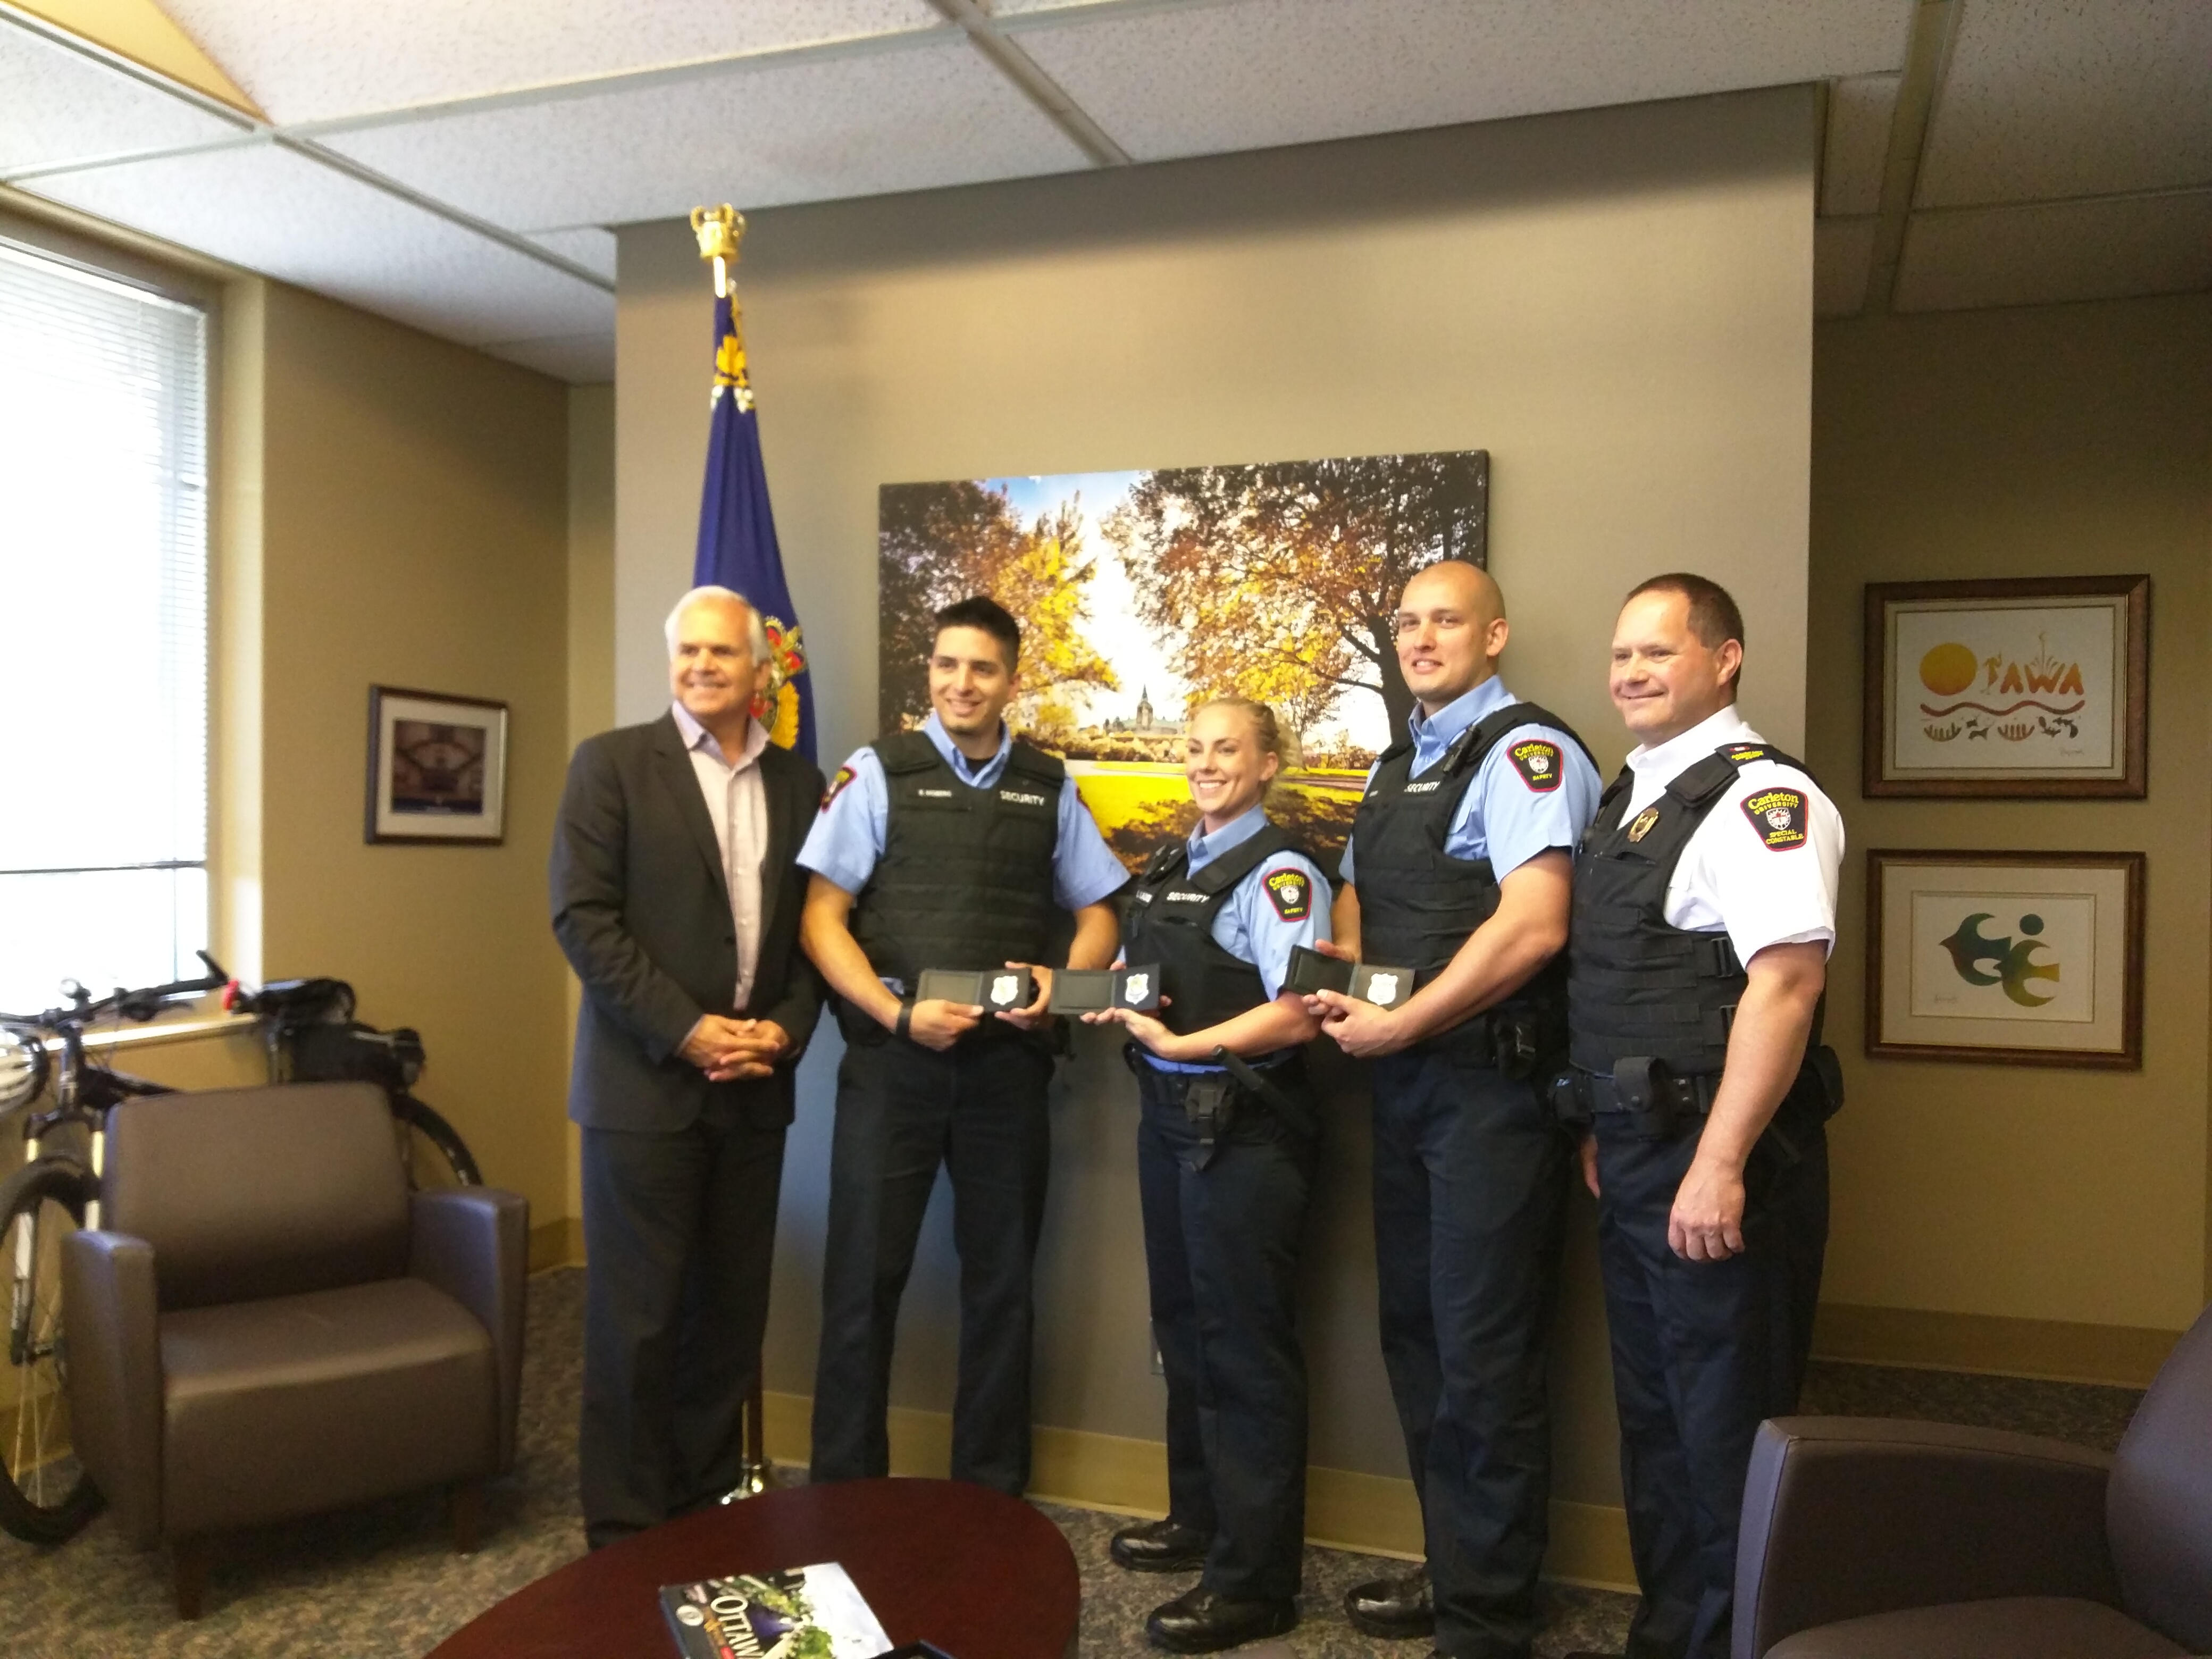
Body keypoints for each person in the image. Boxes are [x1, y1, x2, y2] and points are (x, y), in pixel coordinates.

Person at [1306, 559, 1602, 1659]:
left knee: (1486, 1353)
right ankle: (1459, 1569)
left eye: (1446, 622)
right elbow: (1360, 894)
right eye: (1407, 624)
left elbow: (1534, 925)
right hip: (1405, 1086)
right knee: (1418, 1340)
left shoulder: (1528, 752)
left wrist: (1406, 1018)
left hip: (1490, 1092)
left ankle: (1489, 1620)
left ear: (1495, 637)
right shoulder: (1398, 762)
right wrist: (1334, 964)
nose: (1421, 639)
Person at [1561, 574, 1843, 1659]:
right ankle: (1672, 1632)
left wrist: (1718, 1162)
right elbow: (1634, 985)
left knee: (1725, 1429)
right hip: (1638, 1155)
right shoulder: (1632, 793)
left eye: (1657, 652)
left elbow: (1784, 987)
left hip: (1719, 1164)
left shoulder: (1759, 800)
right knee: (1658, 1421)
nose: (1630, 671)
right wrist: (1604, 1126)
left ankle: (1739, 1644)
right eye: (1621, 652)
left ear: (1723, 660)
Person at [798, 594, 1127, 1495]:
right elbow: (822, 921)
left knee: (1002, 1290)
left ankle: (989, 1499)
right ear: (929, 673)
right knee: (862, 1287)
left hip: (1004, 1074)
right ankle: (845, 1494)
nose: (961, 683)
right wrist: (898, 1015)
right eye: (947, 665)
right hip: (893, 1067)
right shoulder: (877, 773)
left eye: (982, 668)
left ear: (1012, 681)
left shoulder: (1047, 785)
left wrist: (1062, 989)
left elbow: (1100, 911)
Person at [549, 585, 825, 1550]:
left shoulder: (799, 783)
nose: (703, 666)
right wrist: (689, 1030)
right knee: (638, 1323)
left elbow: (814, 936)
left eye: (722, 653)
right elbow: (583, 921)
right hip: (644, 1091)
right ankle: (625, 1529)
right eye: (687, 652)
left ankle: (704, 1512)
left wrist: (783, 1032)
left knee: (727, 1319)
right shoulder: (614, 766)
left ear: (762, 670)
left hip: (756, 1094)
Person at [1087, 698, 1334, 1654]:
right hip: (1168, 1124)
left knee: (1245, 1354)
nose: (1204, 763)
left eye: (1226, 749)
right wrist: (1064, 990)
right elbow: (1137, 972)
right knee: (1184, 1332)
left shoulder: (1279, 872)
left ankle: (1255, 1583)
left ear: (1270, 762)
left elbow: (1301, 1010)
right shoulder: (1171, 863)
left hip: (1244, 1136)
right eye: (1193, 749)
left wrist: (1185, 1043)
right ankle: (1200, 1521)